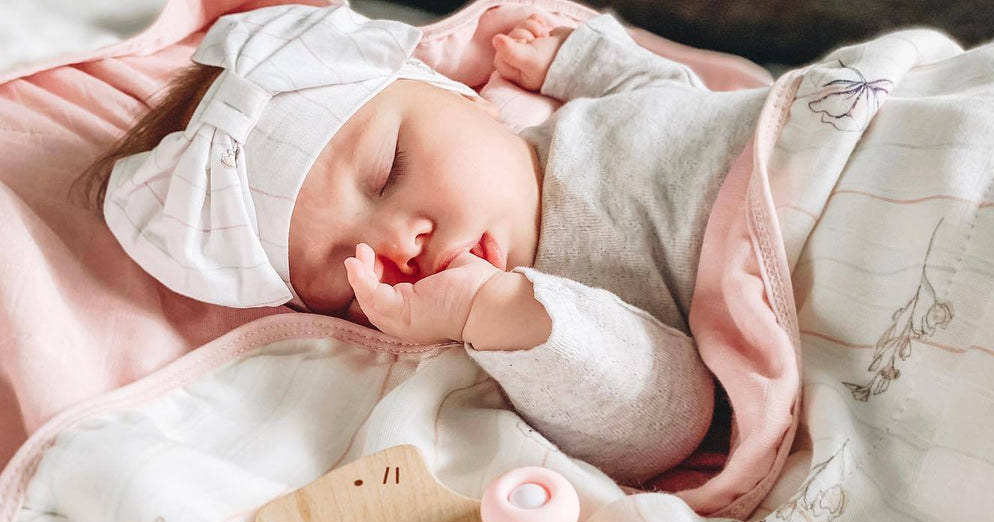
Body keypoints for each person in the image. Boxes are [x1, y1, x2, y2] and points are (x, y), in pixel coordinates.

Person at [85, 4, 766, 485]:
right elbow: (674, 419)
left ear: (467, 98)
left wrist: (580, 59)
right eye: (349, 271)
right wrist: (492, 311)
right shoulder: (545, 322)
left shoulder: (590, 118)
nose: (395, 244)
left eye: (390, 171)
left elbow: (675, 100)